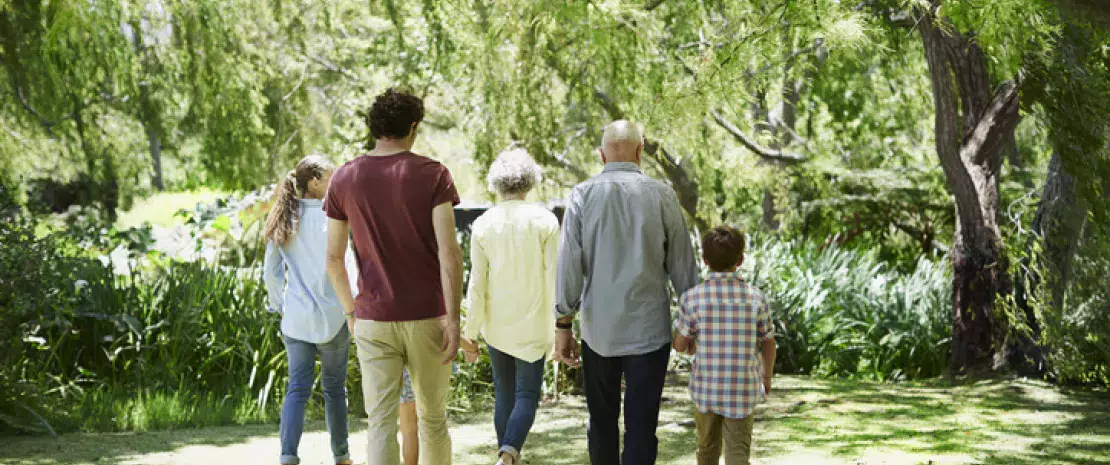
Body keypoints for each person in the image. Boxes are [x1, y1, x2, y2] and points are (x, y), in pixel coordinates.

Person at [323, 88, 463, 465]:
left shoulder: (344, 178)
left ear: (375, 127)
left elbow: (334, 260)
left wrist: (351, 314)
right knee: (433, 419)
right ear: (413, 127)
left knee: (380, 423)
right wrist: (454, 319)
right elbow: (450, 253)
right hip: (427, 316)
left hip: (372, 318)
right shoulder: (434, 174)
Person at [554, 120, 699, 465]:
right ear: (640, 151)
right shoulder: (662, 194)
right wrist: (691, 322)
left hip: (599, 331)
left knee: (601, 422)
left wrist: (563, 324)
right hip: (649, 330)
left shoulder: (582, 195)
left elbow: (569, 264)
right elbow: (682, 264)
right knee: (641, 425)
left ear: (602, 155)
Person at [461, 148, 559, 465]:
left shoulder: (483, 224)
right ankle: (508, 455)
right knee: (527, 394)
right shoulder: (545, 220)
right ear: (529, 183)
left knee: (504, 394)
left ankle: (507, 455)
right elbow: (554, 277)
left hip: (497, 324)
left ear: (496, 183)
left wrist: (470, 332)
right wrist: (560, 326)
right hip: (533, 322)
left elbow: (476, 284)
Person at [263, 155, 355, 465]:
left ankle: (288, 456)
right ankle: (341, 456)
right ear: (315, 182)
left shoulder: (284, 216)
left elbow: (270, 273)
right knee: (334, 388)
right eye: (331, 177)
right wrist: (352, 307)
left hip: (297, 319)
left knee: (297, 388)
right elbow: (348, 267)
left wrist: (280, 306)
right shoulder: (335, 217)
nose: (336, 182)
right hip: (334, 316)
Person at [672, 226, 777, 465]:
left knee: (707, 450)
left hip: (705, 389)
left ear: (705, 260)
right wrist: (767, 376)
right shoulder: (756, 298)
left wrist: (690, 346)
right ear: (740, 260)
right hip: (742, 390)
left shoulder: (692, 298)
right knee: (738, 455)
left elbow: (679, 344)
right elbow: (769, 342)